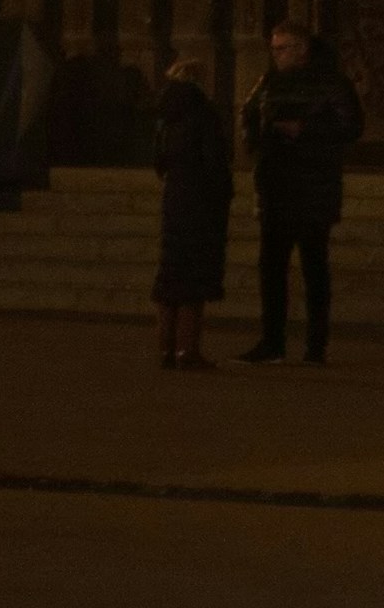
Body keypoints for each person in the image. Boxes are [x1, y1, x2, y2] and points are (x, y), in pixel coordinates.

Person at [239, 19, 362, 365]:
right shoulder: (267, 82)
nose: (275, 55)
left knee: (313, 266)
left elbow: (350, 125)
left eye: (282, 48)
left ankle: (315, 345)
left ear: (301, 49)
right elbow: (248, 117)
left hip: (313, 186)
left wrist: (305, 130)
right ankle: (272, 341)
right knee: (272, 266)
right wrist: (259, 138)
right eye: (273, 48)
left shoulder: (331, 83)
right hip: (276, 183)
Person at [151, 59, 231, 371]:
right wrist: (222, 193)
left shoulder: (165, 115)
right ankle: (188, 348)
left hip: (175, 194)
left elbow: (158, 160)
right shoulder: (203, 113)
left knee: (171, 269)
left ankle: (165, 348)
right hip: (200, 197)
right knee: (195, 273)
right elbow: (214, 161)